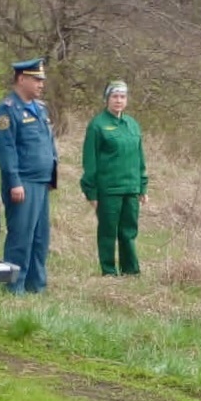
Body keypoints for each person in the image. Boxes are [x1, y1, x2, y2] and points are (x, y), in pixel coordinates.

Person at [0, 57, 58, 294]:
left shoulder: (40, 108)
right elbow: (6, 149)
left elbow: (49, 143)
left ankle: (35, 286)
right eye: (36, 79)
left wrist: (52, 175)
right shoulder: (7, 110)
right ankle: (14, 287)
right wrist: (14, 182)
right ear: (21, 79)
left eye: (42, 80)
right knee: (22, 237)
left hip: (41, 183)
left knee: (41, 239)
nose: (41, 84)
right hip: (23, 183)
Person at [80, 80, 148, 276]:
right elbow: (90, 161)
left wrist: (142, 186)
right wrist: (91, 192)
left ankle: (131, 271)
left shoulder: (132, 125)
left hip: (131, 189)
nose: (118, 100)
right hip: (108, 190)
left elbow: (139, 158)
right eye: (114, 96)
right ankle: (109, 272)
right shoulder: (97, 125)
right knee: (108, 233)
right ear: (107, 99)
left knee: (128, 232)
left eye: (122, 97)